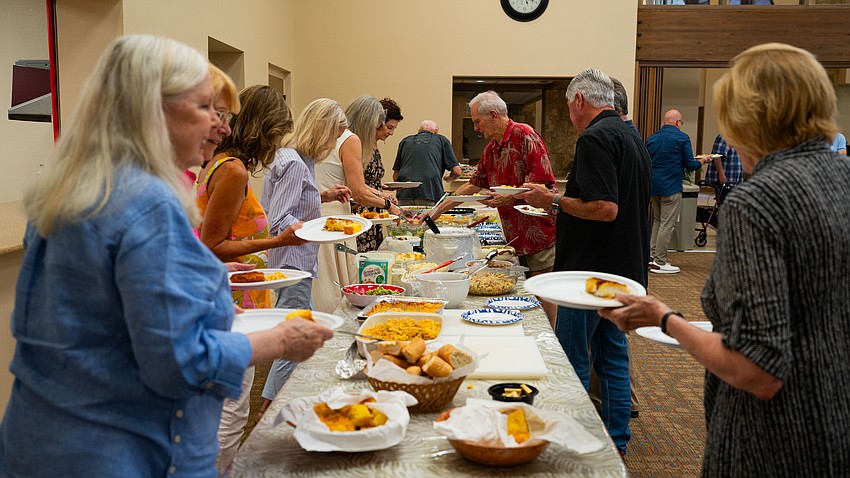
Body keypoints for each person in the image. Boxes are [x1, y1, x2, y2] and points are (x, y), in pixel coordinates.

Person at [0, 34, 333, 478]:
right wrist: (282, 341)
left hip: (47, 440)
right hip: (121, 451)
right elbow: (179, 362)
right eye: (205, 108)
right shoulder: (147, 203)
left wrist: (202, 286)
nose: (223, 128)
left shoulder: (76, 188)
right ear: (152, 110)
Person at [600, 43, 850, 476]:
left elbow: (757, 368)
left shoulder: (759, 201)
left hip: (774, 439)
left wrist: (664, 318)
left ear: (745, 118)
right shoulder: (841, 178)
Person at [518, 68, 651, 455]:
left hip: (588, 272)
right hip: (623, 266)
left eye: (568, 105)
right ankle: (616, 440)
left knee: (573, 357)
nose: (570, 113)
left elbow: (606, 208)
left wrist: (552, 200)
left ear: (579, 100)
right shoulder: (630, 135)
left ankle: (570, 440)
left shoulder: (594, 137)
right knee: (611, 356)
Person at [429, 91, 558, 324]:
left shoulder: (525, 135)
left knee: (541, 289)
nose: (476, 128)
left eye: (477, 121)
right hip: (514, 233)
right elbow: (473, 184)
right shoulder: (491, 149)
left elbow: (540, 184)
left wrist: (506, 199)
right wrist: (438, 209)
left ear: (493, 115)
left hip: (538, 231)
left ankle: (549, 339)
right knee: (526, 293)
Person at [260, 98, 351, 412]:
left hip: (296, 260)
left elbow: (295, 200)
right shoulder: (295, 163)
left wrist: (323, 195)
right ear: (322, 130)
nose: (333, 145)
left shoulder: (295, 157)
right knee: (295, 341)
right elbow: (280, 219)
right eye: (333, 136)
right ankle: (270, 409)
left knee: (302, 332)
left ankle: (275, 404)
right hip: (293, 261)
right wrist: (319, 229)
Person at [197, 85, 306, 308]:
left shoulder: (217, 161)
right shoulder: (232, 170)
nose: (276, 145)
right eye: (276, 135)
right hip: (236, 293)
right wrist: (280, 241)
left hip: (238, 287)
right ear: (263, 132)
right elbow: (213, 244)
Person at [313, 95, 403, 311]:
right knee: (337, 285)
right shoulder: (351, 139)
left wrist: (380, 195)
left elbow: (357, 186)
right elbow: (358, 191)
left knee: (322, 282)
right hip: (336, 217)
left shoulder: (327, 136)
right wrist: (388, 206)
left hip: (318, 213)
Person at [645, 109, 708, 274]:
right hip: (671, 187)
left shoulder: (652, 138)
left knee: (657, 221)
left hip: (653, 187)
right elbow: (690, 165)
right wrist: (703, 160)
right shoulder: (682, 138)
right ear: (678, 123)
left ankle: (651, 257)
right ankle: (660, 262)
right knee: (667, 224)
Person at [350, 97, 404, 252]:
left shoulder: (373, 145)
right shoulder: (357, 144)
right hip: (362, 209)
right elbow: (357, 185)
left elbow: (367, 180)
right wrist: (383, 199)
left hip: (374, 208)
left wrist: (382, 192)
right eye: (389, 127)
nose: (391, 133)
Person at [392, 120, 462, 206]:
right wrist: (448, 178)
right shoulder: (441, 140)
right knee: (426, 215)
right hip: (430, 193)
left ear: (419, 131)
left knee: (404, 215)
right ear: (436, 131)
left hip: (404, 195)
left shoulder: (405, 141)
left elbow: (395, 176)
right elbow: (457, 172)